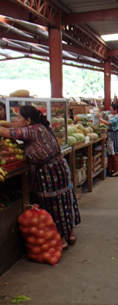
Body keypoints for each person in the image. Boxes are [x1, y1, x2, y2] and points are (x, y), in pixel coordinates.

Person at [0, 105, 80, 249]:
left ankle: (61, 240)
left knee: (53, 203)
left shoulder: (31, 131)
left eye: (18, 117)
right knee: (65, 200)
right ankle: (70, 234)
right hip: (60, 166)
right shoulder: (40, 127)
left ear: (28, 120)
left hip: (49, 172)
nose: (16, 120)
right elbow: (13, 126)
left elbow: (5, 132)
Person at [99, 103, 118, 177]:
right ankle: (113, 169)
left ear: (115, 110)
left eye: (111, 109)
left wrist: (100, 119)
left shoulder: (116, 117)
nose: (110, 111)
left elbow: (109, 123)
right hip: (114, 135)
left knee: (115, 153)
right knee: (113, 152)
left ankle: (116, 170)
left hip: (114, 136)